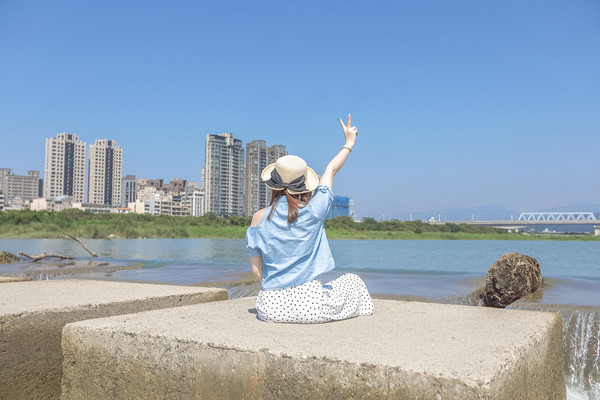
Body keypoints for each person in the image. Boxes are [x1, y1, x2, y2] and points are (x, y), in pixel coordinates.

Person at [246, 114, 374, 323]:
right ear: (304, 185)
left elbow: (256, 272)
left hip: (269, 308)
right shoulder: (315, 210)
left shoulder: (258, 219)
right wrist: (349, 143)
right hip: (311, 307)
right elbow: (330, 170)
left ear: (273, 185)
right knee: (353, 281)